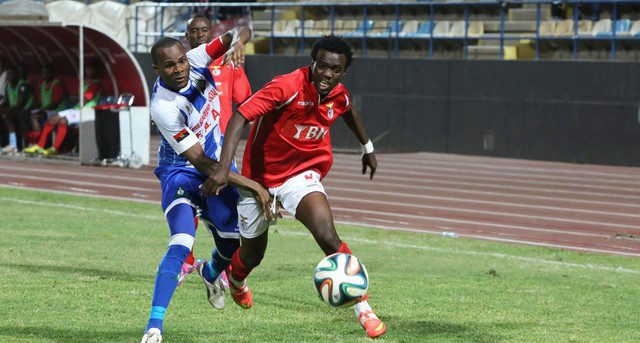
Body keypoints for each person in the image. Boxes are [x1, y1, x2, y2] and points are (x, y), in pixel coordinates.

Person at [204, 34, 386, 339]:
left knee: (327, 235)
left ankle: (364, 309)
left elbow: (349, 109)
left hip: (301, 176)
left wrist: (367, 146)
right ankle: (235, 281)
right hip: (258, 180)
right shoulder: (286, 86)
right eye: (323, 66)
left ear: (343, 72)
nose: (328, 74)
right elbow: (239, 116)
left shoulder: (337, 95)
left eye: (336, 69)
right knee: (251, 256)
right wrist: (224, 168)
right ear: (312, 62)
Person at [140, 27, 274, 343]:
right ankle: (154, 327)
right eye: (169, 66)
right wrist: (254, 186)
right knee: (182, 240)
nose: (179, 69)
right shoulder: (164, 107)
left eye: (181, 62)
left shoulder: (198, 59)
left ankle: (211, 273)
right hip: (183, 174)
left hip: (219, 167)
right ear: (157, 70)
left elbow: (242, 30)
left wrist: (238, 44)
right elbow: (201, 163)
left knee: (232, 243)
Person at [175, 14, 253, 285]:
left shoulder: (229, 63)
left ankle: (221, 265)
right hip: (189, 147)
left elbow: (244, 104)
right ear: (187, 36)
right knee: (187, 201)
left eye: (203, 30)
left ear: (211, 33)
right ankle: (186, 261)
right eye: (193, 32)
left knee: (226, 209)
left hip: (220, 148)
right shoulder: (181, 67)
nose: (199, 35)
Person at [24, 63, 101, 156]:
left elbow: (84, 100)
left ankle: (55, 148)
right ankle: (40, 145)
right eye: (88, 69)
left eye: (91, 70)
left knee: (63, 121)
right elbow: (73, 96)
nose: (89, 72)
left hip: (87, 111)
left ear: (96, 71)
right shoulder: (84, 83)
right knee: (53, 119)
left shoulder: (96, 84)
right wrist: (76, 97)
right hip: (76, 109)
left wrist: (76, 98)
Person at [22, 64, 66, 149]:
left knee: (34, 117)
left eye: (47, 73)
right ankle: (28, 141)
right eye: (43, 73)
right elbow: (39, 101)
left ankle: (36, 141)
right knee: (24, 115)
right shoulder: (42, 85)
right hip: (46, 110)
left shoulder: (56, 85)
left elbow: (55, 103)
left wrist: (41, 110)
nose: (44, 75)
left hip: (55, 110)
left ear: (52, 73)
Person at [0, 64, 34, 154]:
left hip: (25, 111)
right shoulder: (8, 86)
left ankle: (13, 144)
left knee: (7, 115)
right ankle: (8, 143)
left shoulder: (22, 85)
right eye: (7, 75)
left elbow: (20, 104)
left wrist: (6, 110)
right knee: (5, 114)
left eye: (10, 74)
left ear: (16, 74)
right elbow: (6, 101)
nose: (8, 77)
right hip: (15, 111)